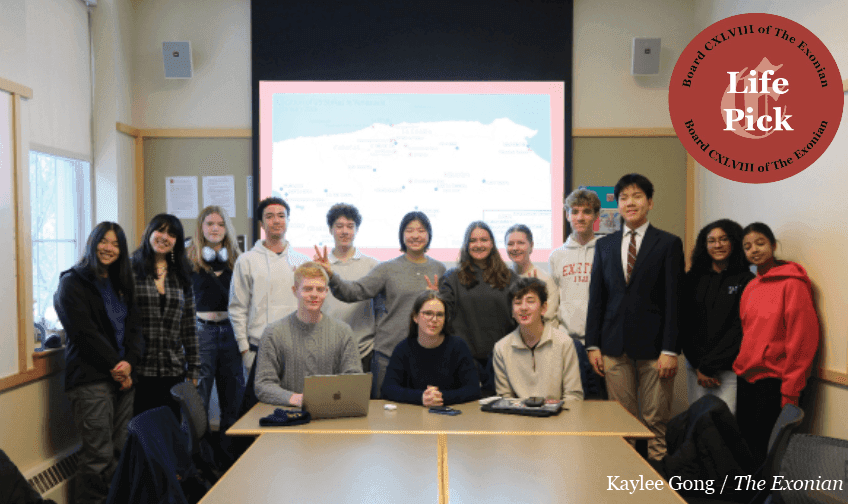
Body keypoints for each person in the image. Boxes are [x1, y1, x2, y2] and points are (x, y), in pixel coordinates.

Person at [585, 173, 684, 461]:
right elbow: (597, 298)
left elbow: (674, 301)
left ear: (649, 202)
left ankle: (656, 482)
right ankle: (626, 479)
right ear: (616, 205)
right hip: (613, 347)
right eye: (624, 198)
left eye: (637, 196)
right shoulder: (604, 245)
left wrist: (670, 349)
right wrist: (593, 345)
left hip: (656, 351)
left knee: (655, 420)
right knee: (622, 421)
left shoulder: (668, 243)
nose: (630, 202)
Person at [54, 222, 143, 504]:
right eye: (104, 241)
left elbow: (135, 330)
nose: (109, 248)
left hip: (123, 378)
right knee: (98, 457)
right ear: (92, 243)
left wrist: (129, 363)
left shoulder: (121, 283)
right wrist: (118, 368)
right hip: (91, 380)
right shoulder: (72, 282)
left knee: (119, 451)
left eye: (116, 244)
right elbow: (85, 334)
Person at [314, 211, 445, 397]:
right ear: (402, 235)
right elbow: (354, 291)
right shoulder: (387, 268)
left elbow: (446, 313)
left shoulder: (439, 269)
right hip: (388, 354)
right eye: (409, 230)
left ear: (429, 235)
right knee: (382, 413)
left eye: (421, 230)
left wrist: (440, 300)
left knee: (423, 412)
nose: (415, 235)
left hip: (426, 354)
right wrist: (331, 275)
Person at [734, 222, 819, 464]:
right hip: (747, 378)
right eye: (747, 246)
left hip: (775, 382)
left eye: (760, 243)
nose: (754, 250)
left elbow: (802, 340)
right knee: (748, 449)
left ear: (773, 245)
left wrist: (791, 390)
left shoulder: (793, 284)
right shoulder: (751, 286)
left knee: (770, 454)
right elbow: (748, 332)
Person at [254, 262, 362, 407]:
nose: (314, 295)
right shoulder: (273, 333)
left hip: (331, 412)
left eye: (320, 289)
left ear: (326, 292)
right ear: (294, 290)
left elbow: (355, 380)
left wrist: (325, 398)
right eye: (307, 289)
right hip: (287, 414)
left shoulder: (344, 332)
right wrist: (296, 399)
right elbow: (263, 384)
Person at [229, 197, 310, 374]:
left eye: (281, 216)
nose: (276, 221)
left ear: (288, 221)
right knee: (260, 401)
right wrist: (245, 350)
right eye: (270, 216)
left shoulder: (303, 261)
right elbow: (237, 308)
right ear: (262, 224)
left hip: (297, 346)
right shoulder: (246, 260)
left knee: (296, 400)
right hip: (259, 347)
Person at [681, 219, 754, 414]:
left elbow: (740, 328)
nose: (717, 245)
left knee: (725, 424)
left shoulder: (747, 280)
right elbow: (684, 323)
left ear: (734, 242)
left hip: (729, 368)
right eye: (711, 241)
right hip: (696, 367)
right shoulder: (692, 278)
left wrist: (710, 365)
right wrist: (700, 366)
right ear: (704, 246)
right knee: (697, 423)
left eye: (723, 239)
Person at [131, 213, 199, 417]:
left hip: (173, 369)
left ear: (176, 242)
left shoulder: (181, 274)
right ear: (149, 233)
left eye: (172, 234)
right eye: (160, 230)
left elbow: (189, 325)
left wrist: (194, 368)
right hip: (139, 369)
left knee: (170, 429)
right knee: (141, 431)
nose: (164, 237)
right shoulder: (129, 269)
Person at [437, 221, 517, 394]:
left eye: (484, 240)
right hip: (463, 362)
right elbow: (443, 317)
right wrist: (433, 300)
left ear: (492, 243)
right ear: (466, 245)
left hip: (502, 361)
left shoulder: (509, 277)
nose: (478, 245)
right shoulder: (451, 278)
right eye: (473, 241)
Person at [186, 206, 244, 437]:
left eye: (220, 224)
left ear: (226, 228)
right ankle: (199, 459)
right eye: (209, 224)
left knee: (233, 395)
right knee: (199, 396)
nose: (215, 228)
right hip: (202, 333)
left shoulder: (238, 259)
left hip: (231, 332)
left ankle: (229, 455)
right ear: (201, 227)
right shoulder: (188, 257)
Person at [548, 188, 604, 398]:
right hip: (567, 342)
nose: (580, 217)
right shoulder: (557, 256)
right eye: (575, 211)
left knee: (598, 402)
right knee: (571, 401)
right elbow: (553, 301)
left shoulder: (605, 251)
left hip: (598, 345)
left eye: (587, 212)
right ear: (567, 215)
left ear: (596, 216)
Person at [381, 291, 481, 406]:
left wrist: (440, 397)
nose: (434, 319)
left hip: (452, 418)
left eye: (440, 315)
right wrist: (420, 397)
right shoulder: (403, 349)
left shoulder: (458, 347)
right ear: (415, 317)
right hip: (412, 417)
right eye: (428, 313)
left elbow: (473, 390)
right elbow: (388, 389)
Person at [493, 277, 583, 401]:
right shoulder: (501, 348)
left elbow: (574, 396)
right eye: (518, 303)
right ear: (512, 312)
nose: (523, 307)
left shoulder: (564, 343)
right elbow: (504, 398)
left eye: (530, 301)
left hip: (557, 416)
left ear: (544, 308)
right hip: (518, 417)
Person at [320, 203, 381, 373]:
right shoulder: (320, 266)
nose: (344, 231)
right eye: (339, 226)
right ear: (331, 230)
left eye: (350, 226)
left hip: (364, 349)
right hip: (328, 349)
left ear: (357, 230)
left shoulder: (372, 265)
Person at [504, 224, 559, 324]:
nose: (515, 248)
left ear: (531, 246)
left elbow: (548, 316)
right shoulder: (502, 278)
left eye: (521, 243)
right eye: (510, 244)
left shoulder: (545, 279)